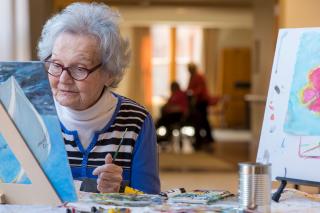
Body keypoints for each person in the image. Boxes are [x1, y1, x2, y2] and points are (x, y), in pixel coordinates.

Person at [37, 2, 160, 194]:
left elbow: (151, 201)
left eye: (79, 68)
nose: (63, 79)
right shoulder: (33, 115)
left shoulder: (136, 121)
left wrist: (119, 191)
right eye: (56, 64)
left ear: (109, 73)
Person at [186, 62, 214, 150]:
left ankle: (206, 139)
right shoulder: (192, 77)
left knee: (202, 121)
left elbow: (199, 90)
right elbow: (189, 88)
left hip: (201, 101)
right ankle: (201, 140)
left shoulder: (198, 77)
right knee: (199, 121)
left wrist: (193, 94)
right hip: (197, 101)